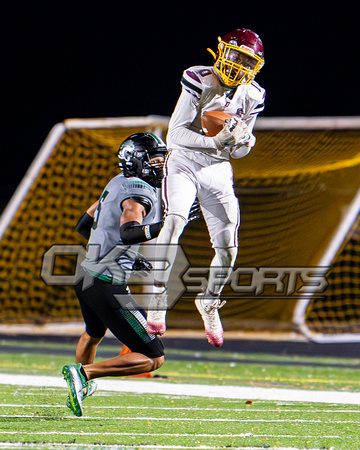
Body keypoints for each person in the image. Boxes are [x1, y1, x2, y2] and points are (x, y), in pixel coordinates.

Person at [147, 28, 266, 347]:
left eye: (245, 58)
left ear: (255, 65)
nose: (237, 62)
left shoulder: (254, 94)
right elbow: (174, 135)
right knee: (173, 221)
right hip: (185, 159)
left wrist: (244, 141)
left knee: (228, 247)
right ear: (221, 51)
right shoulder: (199, 78)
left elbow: (238, 151)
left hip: (216, 168)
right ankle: (156, 299)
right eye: (234, 54)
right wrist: (214, 140)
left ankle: (209, 301)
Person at [62, 132, 168, 417]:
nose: (160, 166)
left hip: (86, 275)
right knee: (153, 357)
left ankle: (80, 385)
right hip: (108, 285)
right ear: (137, 161)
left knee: (93, 333)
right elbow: (128, 231)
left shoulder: (116, 182)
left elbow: (85, 224)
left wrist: (124, 258)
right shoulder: (140, 191)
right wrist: (166, 227)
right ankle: (83, 374)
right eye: (154, 160)